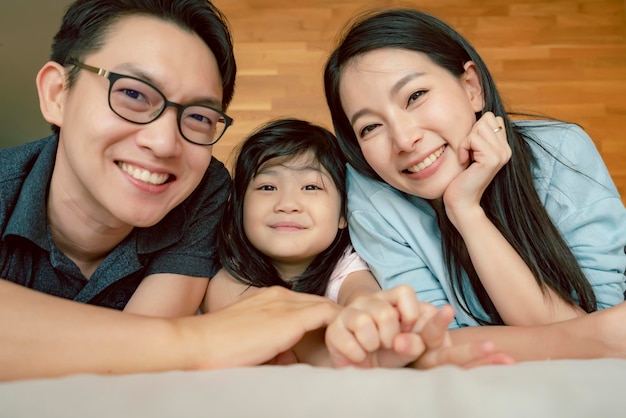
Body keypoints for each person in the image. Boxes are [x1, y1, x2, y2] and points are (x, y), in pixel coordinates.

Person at [0, 0, 343, 381]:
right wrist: (203, 340)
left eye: (198, 117)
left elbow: (133, 368)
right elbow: (152, 350)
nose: (164, 143)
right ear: (57, 94)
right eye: (133, 94)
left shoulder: (202, 190)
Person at [323, 8, 626, 359]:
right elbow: (431, 346)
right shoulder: (373, 197)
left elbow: (603, 323)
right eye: (370, 127)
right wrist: (464, 208)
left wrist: (465, 211)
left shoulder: (562, 151)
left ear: (471, 87)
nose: (404, 140)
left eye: (415, 96)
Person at [204, 118, 512, 368]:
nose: (287, 203)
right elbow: (268, 319)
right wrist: (333, 348)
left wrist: (371, 319)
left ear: (343, 215)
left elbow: (361, 296)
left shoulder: (347, 266)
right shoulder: (229, 274)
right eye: (267, 186)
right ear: (239, 206)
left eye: (311, 186)